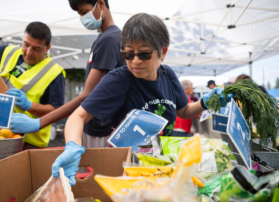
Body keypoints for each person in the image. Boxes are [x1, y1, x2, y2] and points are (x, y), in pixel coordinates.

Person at [51, 13, 233, 186]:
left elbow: (183, 111)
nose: (135, 61)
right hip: (128, 169)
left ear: (163, 51)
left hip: (162, 164)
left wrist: (203, 104)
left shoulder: (167, 74)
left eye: (144, 54)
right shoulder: (119, 79)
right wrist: (72, 146)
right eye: (128, 54)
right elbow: (78, 117)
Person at [8, 0, 125, 148]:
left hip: (104, 130)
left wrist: (39, 123)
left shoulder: (109, 39)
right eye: (80, 14)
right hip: (97, 127)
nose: (82, 18)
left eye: (84, 12)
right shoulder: (105, 38)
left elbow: (88, 94)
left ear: (101, 3)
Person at [0, 22, 66, 149]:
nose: (29, 53)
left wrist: (30, 106)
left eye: (37, 48)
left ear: (48, 48)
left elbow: (56, 112)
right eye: (26, 44)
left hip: (27, 143)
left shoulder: (54, 72)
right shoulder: (11, 52)